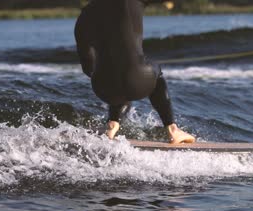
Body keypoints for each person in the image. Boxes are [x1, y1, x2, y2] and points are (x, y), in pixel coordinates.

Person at [74, 0, 195, 144]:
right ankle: (173, 129)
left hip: (103, 88)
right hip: (138, 80)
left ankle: (112, 124)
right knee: (154, 70)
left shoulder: (84, 16)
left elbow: (88, 68)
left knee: (117, 70)